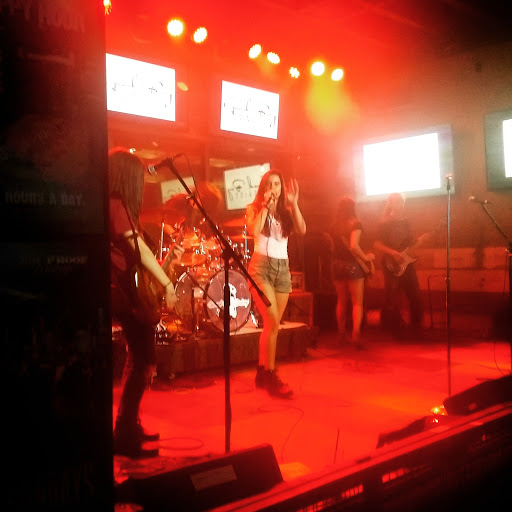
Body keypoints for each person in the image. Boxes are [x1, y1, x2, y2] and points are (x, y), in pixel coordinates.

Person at [109, 147, 183, 458]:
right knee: (143, 361)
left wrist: (164, 269)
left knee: (139, 359)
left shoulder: (118, 206)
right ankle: (124, 434)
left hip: (127, 290)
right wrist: (166, 283)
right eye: (138, 178)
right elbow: (137, 248)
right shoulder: (115, 204)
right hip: (123, 293)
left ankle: (128, 425)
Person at [246, 169, 306, 399]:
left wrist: (295, 204)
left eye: (277, 184)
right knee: (271, 321)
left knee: (272, 326)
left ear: (282, 188)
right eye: (269, 184)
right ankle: (270, 375)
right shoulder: (254, 208)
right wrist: (265, 207)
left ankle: (262, 372)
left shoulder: (286, 212)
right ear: (263, 188)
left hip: (282, 269)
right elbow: (252, 230)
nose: (273, 188)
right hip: (260, 268)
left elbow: (302, 230)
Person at [373, 193, 426, 338]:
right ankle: (393, 327)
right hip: (390, 264)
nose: (401, 204)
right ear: (391, 204)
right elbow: (376, 244)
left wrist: (419, 242)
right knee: (392, 297)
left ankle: (416, 327)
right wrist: (393, 253)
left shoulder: (406, 222)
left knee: (415, 294)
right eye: (398, 202)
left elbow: (409, 244)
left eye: (402, 202)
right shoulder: (384, 223)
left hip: (406, 263)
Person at [330, 197, 375, 347]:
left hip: (337, 265)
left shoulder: (334, 226)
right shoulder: (356, 224)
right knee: (357, 303)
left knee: (341, 301)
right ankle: (356, 335)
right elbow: (354, 246)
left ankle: (341, 333)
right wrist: (366, 258)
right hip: (353, 266)